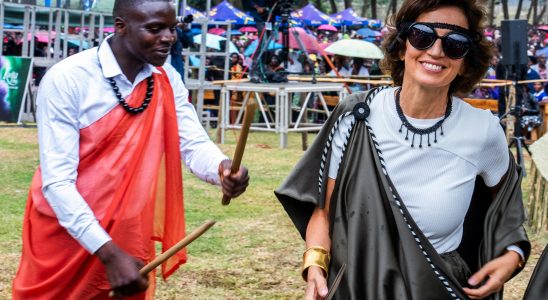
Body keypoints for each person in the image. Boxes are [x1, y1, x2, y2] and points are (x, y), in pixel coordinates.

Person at [275, 1, 530, 299]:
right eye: (422, 36)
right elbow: (323, 214)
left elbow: (507, 209)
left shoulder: (483, 130)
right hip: (357, 285)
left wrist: (513, 254)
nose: (436, 51)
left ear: (466, 62)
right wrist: (315, 267)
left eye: (455, 44)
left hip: (436, 287)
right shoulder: (356, 116)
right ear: (401, 47)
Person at [12, 1, 249, 299]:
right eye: (155, 28)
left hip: (127, 234)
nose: (168, 37)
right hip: (65, 236)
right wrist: (109, 254)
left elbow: (192, 142)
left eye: (172, 28)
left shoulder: (166, 78)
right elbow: (57, 183)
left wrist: (222, 167)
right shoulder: (67, 78)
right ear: (121, 26)